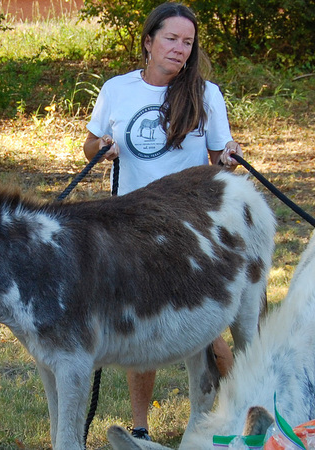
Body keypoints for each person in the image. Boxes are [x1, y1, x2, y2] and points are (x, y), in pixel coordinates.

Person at [83, 1, 240, 442]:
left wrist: (228, 157)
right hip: (133, 227)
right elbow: (90, 143)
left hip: (191, 227)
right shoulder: (118, 89)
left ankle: (236, 412)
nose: (179, 49)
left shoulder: (206, 94)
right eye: (171, 39)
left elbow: (219, 157)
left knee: (208, 331)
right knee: (143, 328)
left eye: (187, 43)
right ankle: (141, 431)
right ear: (148, 42)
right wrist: (102, 148)